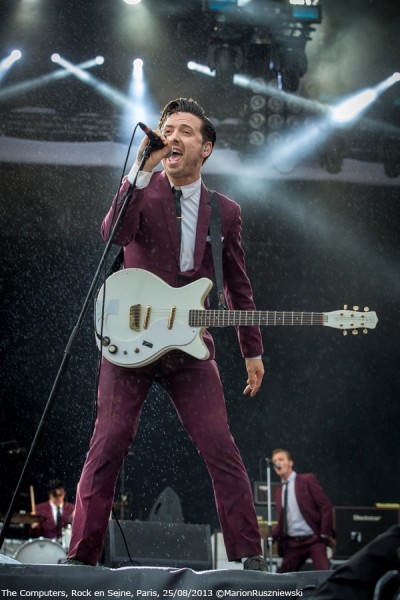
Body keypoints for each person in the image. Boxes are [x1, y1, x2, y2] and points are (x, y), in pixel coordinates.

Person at [65, 97, 267, 570]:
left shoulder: (226, 212)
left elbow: (238, 287)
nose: (173, 137)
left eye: (185, 131)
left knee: (220, 446)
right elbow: (113, 236)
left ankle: (250, 557)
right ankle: (80, 557)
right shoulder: (140, 189)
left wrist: (251, 352)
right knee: (109, 440)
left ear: (206, 148)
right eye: (167, 128)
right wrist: (138, 173)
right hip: (130, 343)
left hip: (190, 350)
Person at [271, 448, 335, 573]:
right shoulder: (279, 492)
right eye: (275, 460)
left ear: (290, 463)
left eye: (281, 459)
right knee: (281, 580)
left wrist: (324, 534)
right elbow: (282, 521)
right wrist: (269, 539)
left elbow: (325, 506)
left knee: (323, 575)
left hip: (314, 540)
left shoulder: (306, 480)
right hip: (294, 544)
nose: (277, 462)